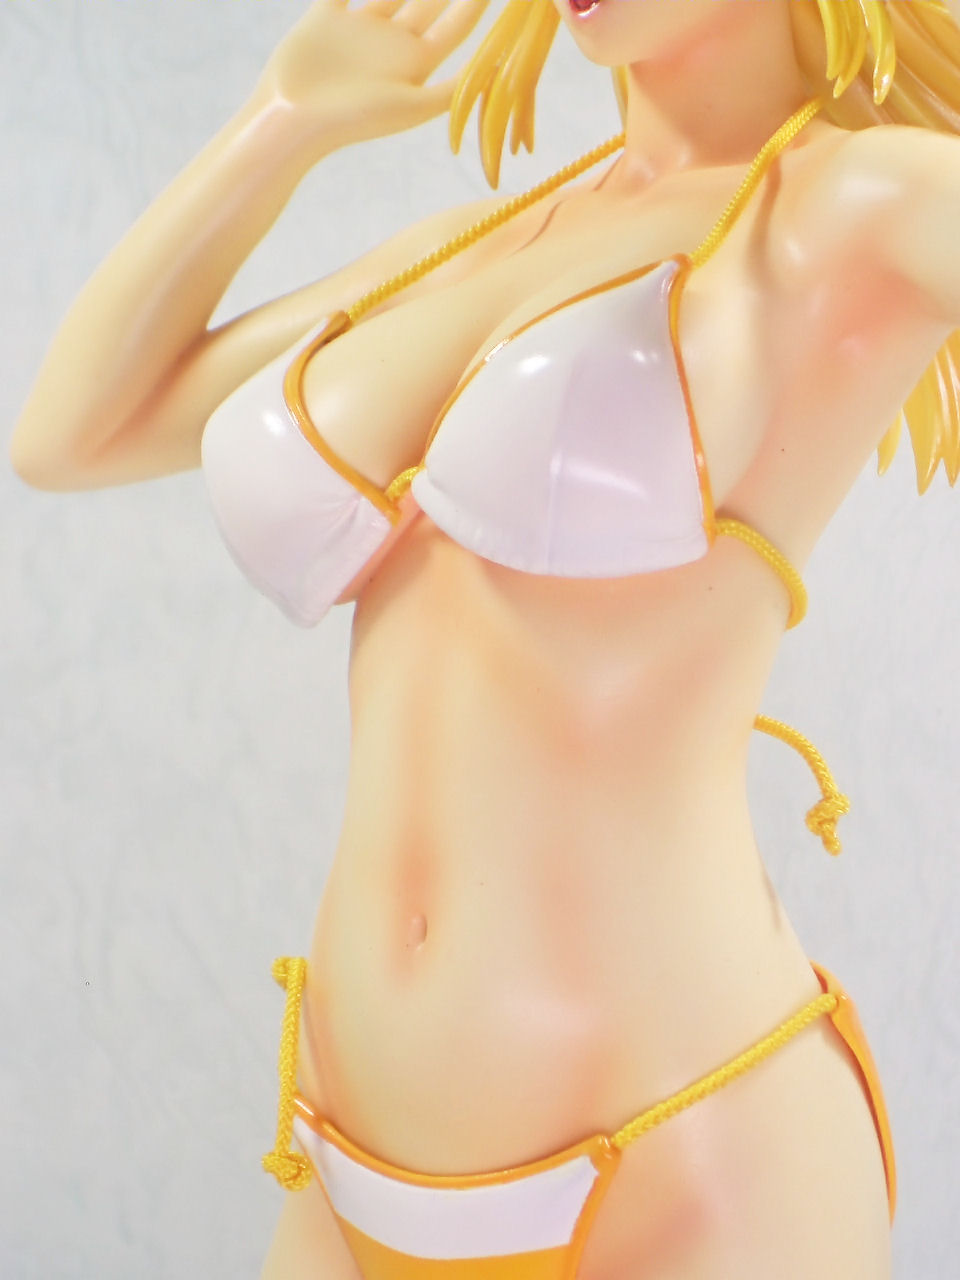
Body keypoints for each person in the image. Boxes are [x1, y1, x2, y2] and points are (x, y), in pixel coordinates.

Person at [10, 1, 960, 1275]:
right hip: (342, 1152)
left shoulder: (857, 207)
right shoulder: (467, 243)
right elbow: (70, 434)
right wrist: (282, 120)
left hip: (698, 1153)